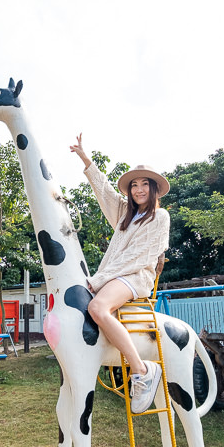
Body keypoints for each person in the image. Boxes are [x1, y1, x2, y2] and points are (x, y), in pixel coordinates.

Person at [70, 133, 170, 413]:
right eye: (134, 185)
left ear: (154, 190)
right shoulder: (125, 214)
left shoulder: (160, 218)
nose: (139, 190)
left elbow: (141, 257)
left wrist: (100, 279)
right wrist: (84, 157)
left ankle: (141, 371)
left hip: (136, 277)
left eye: (144, 185)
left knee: (98, 307)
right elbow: (103, 190)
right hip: (115, 276)